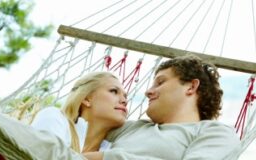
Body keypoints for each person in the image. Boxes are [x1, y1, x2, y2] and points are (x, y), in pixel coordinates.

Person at [83, 55, 240, 160]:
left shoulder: (214, 132)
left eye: (160, 82)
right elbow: (83, 123)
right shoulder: (131, 128)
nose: (148, 91)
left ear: (191, 87)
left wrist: (106, 157)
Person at [31, 71, 128, 153]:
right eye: (114, 91)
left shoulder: (114, 151)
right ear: (87, 99)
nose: (124, 101)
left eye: (125, 96)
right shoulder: (54, 118)